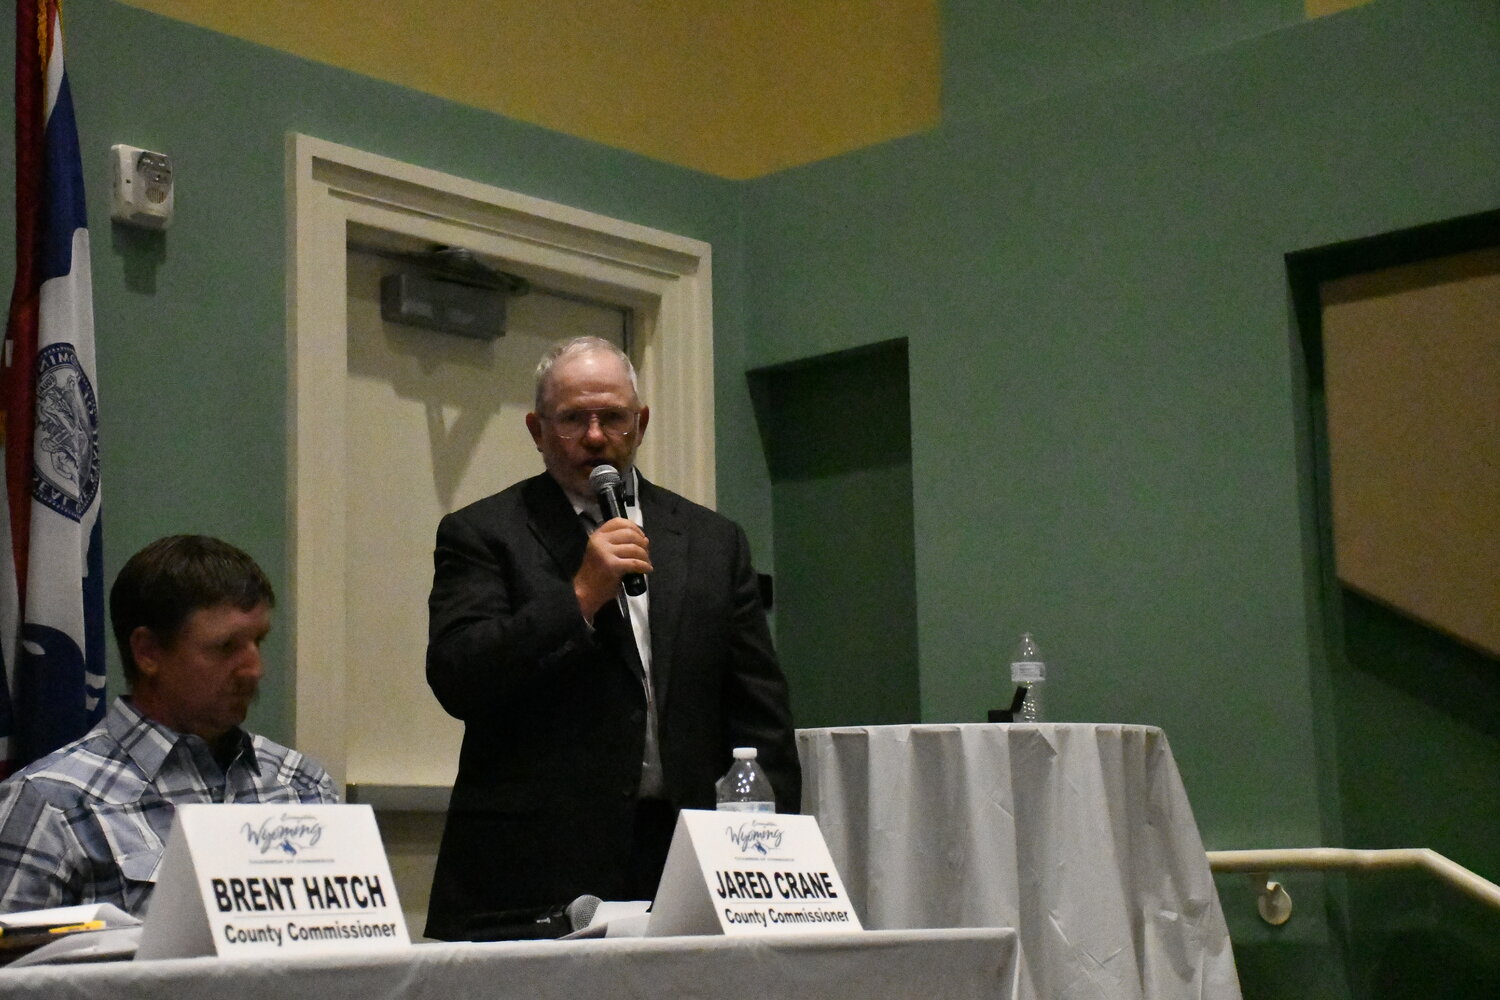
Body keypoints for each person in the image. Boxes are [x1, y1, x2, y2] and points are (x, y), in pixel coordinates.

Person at [424, 336, 799, 940]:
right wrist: (580, 596)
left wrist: (772, 857)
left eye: (613, 419)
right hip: (535, 867)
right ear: (537, 430)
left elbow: (760, 715)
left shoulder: (712, 541)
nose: (595, 438)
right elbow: (459, 676)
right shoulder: (483, 534)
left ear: (640, 424)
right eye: (573, 419)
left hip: (683, 854)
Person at [0, 535, 337, 916]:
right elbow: (16, 973)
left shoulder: (302, 786)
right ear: (148, 652)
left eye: (258, 641)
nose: (254, 669)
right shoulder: (52, 803)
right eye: (226, 647)